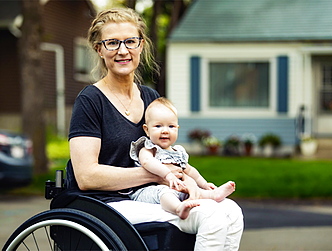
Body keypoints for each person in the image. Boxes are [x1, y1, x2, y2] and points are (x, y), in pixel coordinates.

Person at [65, 7, 244, 250]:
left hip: (154, 193)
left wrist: (192, 181)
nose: (122, 50)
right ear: (99, 49)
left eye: (130, 41)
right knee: (210, 215)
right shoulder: (91, 100)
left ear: (141, 45)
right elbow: (87, 177)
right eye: (112, 43)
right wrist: (161, 173)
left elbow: (167, 151)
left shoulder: (150, 97)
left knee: (232, 211)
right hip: (107, 204)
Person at [128, 97, 236, 219]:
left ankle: (213, 194)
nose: (165, 131)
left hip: (175, 188)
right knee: (164, 193)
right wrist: (167, 174)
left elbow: (190, 170)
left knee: (193, 189)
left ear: (177, 128)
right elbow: (148, 162)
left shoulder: (178, 152)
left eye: (171, 126)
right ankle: (178, 209)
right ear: (147, 130)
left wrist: (204, 183)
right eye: (158, 126)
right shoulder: (147, 148)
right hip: (148, 190)